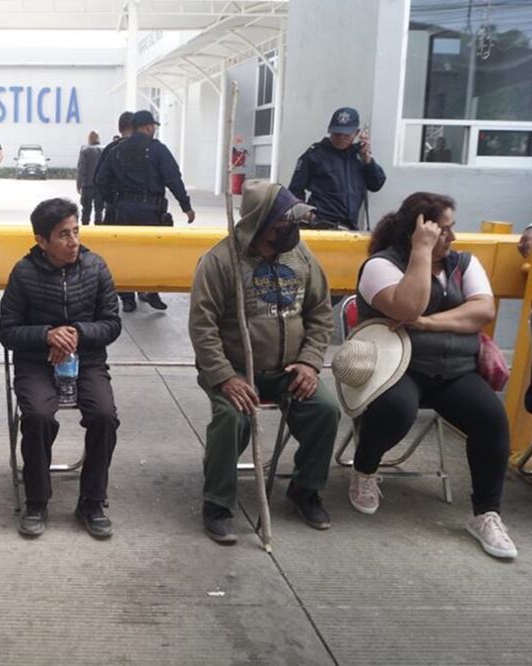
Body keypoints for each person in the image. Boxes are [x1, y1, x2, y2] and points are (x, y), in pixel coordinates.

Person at [343, 191, 516, 559]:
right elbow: (408, 304)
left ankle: (486, 513)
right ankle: (365, 470)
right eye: (444, 230)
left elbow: (481, 311)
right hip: (397, 369)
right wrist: (421, 254)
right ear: (419, 231)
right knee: (396, 410)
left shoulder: (464, 264)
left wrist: (426, 324)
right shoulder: (381, 265)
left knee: (492, 420)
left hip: (455, 371)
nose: (453, 239)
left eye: (453, 229)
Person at [189, 181, 338, 543]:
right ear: (261, 225)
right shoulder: (220, 262)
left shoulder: (302, 256)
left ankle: (305, 489)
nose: (292, 230)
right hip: (235, 371)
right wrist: (225, 377)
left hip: (291, 370)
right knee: (231, 416)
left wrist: (310, 362)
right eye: (283, 224)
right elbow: (202, 327)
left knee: (326, 410)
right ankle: (218, 503)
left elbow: (320, 314)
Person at [0, 198, 121, 539]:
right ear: (42, 241)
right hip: (37, 361)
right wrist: (46, 335)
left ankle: (92, 500)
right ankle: (37, 500)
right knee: (37, 415)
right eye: (63, 235)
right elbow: (7, 331)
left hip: (87, 360)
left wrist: (77, 334)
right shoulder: (24, 272)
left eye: (76, 231)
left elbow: (112, 324)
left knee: (104, 416)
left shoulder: (96, 267)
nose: (73, 241)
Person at [96, 110, 195, 312]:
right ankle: (150, 289)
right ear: (149, 127)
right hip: (151, 211)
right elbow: (173, 179)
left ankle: (127, 297)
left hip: (122, 211)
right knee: (151, 251)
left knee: (124, 253)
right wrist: (186, 206)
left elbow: (100, 181)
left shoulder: (117, 150)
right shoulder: (157, 149)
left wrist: (113, 202)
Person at [289, 107, 386, 230]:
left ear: (356, 133)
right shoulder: (315, 155)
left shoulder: (359, 156)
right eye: (337, 133)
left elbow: (376, 184)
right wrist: (306, 214)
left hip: (350, 228)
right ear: (330, 131)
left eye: (346, 135)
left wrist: (367, 159)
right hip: (320, 226)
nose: (341, 138)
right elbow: (294, 190)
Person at [76, 131, 103, 225]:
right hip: (100, 185)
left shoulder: (85, 150)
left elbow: (81, 169)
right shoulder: (103, 150)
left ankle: (85, 229)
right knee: (99, 210)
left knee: (86, 210)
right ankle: (98, 229)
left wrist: (78, 185)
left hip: (87, 185)